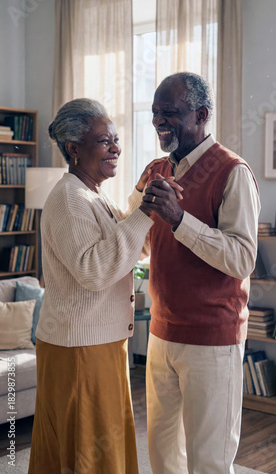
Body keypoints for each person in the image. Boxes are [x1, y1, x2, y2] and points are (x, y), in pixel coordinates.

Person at [28, 98, 179, 474]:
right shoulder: (68, 199)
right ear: (74, 149)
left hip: (96, 344)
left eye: (116, 139)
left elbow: (124, 250)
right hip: (78, 349)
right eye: (103, 140)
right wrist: (145, 211)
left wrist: (147, 204)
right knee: (88, 452)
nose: (115, 147)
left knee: (96, 445)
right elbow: (94, 270)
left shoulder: (95, 195)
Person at [139, 72, 261, 474]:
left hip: (212, 340)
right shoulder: (155, 169)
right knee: (162, 455)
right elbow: (137, 242)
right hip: (160, 334)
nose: (159, 121)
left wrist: (179, 220)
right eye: (155, 113)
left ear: (201, 115)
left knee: (208, 461)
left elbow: (242, 258)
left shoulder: (233, 172)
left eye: (169, 113)